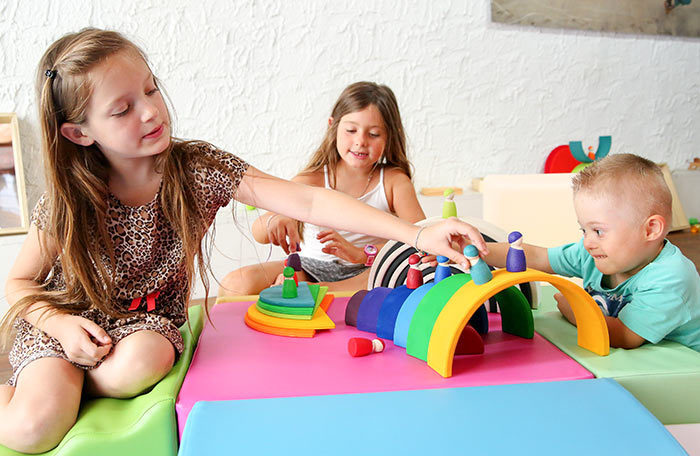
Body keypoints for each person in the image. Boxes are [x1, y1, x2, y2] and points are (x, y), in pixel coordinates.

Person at [0, 29, 486, 453]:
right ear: (79, 132)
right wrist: (60, 327)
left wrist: (418, 232)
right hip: (62, 322)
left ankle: (71, 381)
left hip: (142, 327)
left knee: (145, 363)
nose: (151, 111)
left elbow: (309, 202)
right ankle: (35, 385)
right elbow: (20, 282)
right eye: (124, 108)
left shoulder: (198, 169)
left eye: (151, 89)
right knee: (33, 429)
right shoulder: (69, 199)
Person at [218, 82, 426, 297]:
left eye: (373, 134)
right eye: (351, 130)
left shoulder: (394, 182)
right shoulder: (312, 179)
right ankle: (306, 291)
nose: (360, 141)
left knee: (391, 276)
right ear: (333, 127)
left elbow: (419, 244)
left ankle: (314, 292)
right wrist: (279, 218)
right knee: (236, 283)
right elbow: (259, 232)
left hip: (367, 270)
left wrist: (361, 254)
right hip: (311, 268)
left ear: (390, 135)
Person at [483, 154, 700, 351]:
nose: (587, 242)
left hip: (684, 372)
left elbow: (624, 336)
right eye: (584, 229)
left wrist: (576, 309)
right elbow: (538, 257)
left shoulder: (671, 276)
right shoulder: (595, 252)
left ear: (650, 229)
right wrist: (477, 250)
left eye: (598, 230)